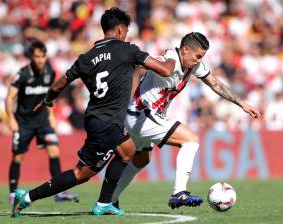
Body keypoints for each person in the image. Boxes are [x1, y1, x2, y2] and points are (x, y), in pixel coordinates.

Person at [11, 7, 174, 218]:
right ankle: (28, 197)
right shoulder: (128, 50)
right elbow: (166, 70)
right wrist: (172, 58)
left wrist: (47, 100)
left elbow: (60, 83)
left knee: (127, 151)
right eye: (126, 30)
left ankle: (105, 202)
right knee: (81, 174)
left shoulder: (86, 57)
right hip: (106, 122)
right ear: (121, 29)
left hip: (99, 118)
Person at [97, 32, 262, 213]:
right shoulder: (169, 58)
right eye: (198, 56)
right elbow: (140, 69)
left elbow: (216, 84)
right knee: (190, 140)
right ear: (185, 50)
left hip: (143, 117)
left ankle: (110, 200)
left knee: (141, 159)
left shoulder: (193, 66)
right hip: (141, 114)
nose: (199, 60)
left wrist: (242, 103)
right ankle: (179, 192)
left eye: (202, 57)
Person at [6, 40, 78, 205]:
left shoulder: (49, 73)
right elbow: (10, 97)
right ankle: (12, 193)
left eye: (42, 56)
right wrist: (10, 118)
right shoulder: (22, 74)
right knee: (18, 156)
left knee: (54, 151)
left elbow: (49, 96)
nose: (40, 60)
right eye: (37, 57)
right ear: (31, 57)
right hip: (23, 122)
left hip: (43, 121)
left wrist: (51, 115)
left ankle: (60, 192)